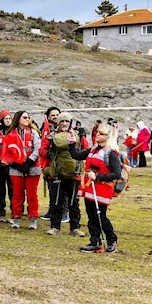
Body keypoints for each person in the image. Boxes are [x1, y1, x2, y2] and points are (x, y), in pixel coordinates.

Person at [68, 123, 121, 253]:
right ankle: (95, 241)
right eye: (98, 132)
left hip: (102, 189)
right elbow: (76, 155)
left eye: (101, 133)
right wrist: (71, 142)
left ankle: (112, 239)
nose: (97, 134)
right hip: (90, 188)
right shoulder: (93, 149)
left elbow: (116, 173)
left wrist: (97, 176)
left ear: (108, 136)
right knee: (91, 216)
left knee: (100, 216)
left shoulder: (111, 153)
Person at [44, 112, 86, 237]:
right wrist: (49, 152)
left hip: (74, 173)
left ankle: (75, 228)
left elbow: (86, 149)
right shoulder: (51, 136)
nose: (64, 124)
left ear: (70, 123)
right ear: (58, 123)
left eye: (67, 121)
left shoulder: (79, 135)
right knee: (56, 201)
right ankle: (55, 227)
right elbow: (42, 150)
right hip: (57, 173)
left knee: (74, 202)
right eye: (62, 121)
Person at [5, 110, 42, 230]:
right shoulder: (10, 134)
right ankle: (16, 216)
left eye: (28, 117)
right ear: (18, 119)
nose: (27, 119)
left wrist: (29, 161)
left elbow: (38, 148)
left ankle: (33, 218)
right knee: (17, 194)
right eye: (25, 117)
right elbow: (7, 151)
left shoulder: (33, 132)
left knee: (32, 195)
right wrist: (16, 164)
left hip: (32, 167)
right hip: (16, 168)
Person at [39, 106, 62, 222]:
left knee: (61, 190)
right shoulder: (45, 129)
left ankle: (63, 212)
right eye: (53, 115)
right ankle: (52, 210)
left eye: (57, 115)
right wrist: (48, 153)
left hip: (62, 165)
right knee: (51, 188)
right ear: (48, 117)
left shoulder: (65, 130)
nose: (55, 117)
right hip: (49, 164)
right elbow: (42, 147)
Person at [0, 110, 14, 222]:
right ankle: (0, 214)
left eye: (9, 118)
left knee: (13, 191)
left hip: (12, 166)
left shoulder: (15, 130)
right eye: (6, 118)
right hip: (0, 166)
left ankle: (15, 214)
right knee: (0, 191)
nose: (8, 120)